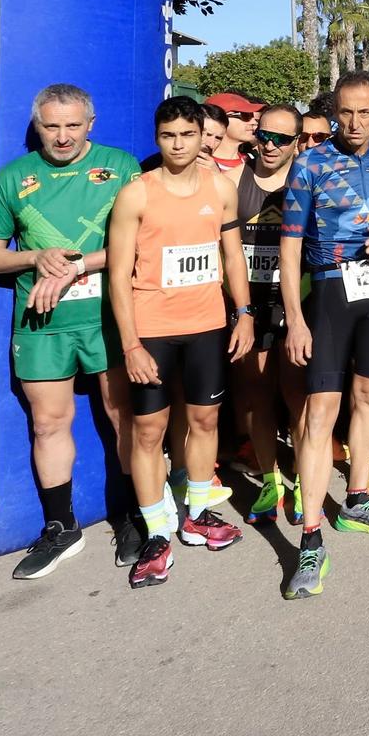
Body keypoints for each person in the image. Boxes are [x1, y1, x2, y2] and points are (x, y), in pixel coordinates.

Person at [0, 84, 142, 579]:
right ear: (37, 126)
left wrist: (76, 266)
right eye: (52, 125)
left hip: (109, 316)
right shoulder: (15, 177)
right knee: (48, 423)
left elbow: (141, 244)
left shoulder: (121, 167)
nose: (63, 135)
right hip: (42, 323)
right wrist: (33, 257)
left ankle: (137, 515)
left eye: (73, 125)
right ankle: (60, 525)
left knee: (123, 416)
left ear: (90, 124)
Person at [105, 96, 254, 589]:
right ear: (157, 138)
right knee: (148, 430)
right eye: (168, 136)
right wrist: (131, 345)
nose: (178, 144)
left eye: (187, 135)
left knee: (204, 419)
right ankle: (155, 531)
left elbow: (233, 257)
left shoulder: (220, 188)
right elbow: (119, 275)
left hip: (208, 324)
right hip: (153, 329)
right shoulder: (137, 194)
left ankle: (197, 513)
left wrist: (244, 313)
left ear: (202, 135)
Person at [279, 72, 369, 592]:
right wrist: (295, 316)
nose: (356, 122)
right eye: (346, 112)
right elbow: (290, 246)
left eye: (365, 113)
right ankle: (310, 540)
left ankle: (357, 498)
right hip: (331, 291)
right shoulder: (310, 165)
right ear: (334, 112)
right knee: (320, 412)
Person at [233, 103, 303, 523]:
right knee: (256, 398)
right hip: (250, 304)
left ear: (297, 142)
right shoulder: (230, 181)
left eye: (282, 139)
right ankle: (270, 478)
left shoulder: (308, 178)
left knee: (299, 398)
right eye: (264, 135)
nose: (270, 145)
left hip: (297, 302)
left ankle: (303, 480)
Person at [205, 92, 261, 169]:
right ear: (218, 119)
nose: (254, 122)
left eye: (253, 117)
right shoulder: (196, 164)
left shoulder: (255, 163)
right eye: (245, 115)